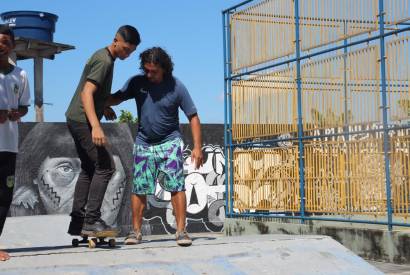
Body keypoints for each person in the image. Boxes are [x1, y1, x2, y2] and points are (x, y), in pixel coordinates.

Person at [107, 47, 203, 246]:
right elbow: (116, 98)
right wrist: (97, 98)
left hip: (170, 142)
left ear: (164, 69)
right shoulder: (137, 82)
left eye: (153, 71)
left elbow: (193, 116)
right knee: (139, 187)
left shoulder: (177, 87)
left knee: (176, 186)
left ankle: (181, 231)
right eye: (146, 70)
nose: (149, 74)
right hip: (144, 143)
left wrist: (197, 147)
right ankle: (135, 232)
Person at [65, 25, 140, 236]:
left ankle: (78, 222)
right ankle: (91, 221)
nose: (128, 54)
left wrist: (104, 107)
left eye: (131, 51)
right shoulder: (105, 60)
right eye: (126, 49)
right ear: (116, 40)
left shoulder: (105, 56)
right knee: (106, 166)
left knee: (89, 168)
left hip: (75, 118)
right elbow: (87, 93)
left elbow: (93, 93)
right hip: (82, 121)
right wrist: (96, 126)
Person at [0, 24, 30, 261]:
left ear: (12, 46)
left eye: (5, 41)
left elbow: (24, 105)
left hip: (9, 145)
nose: (1, 45)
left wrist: (16, 113)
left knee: (4, 197)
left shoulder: (20, 74)